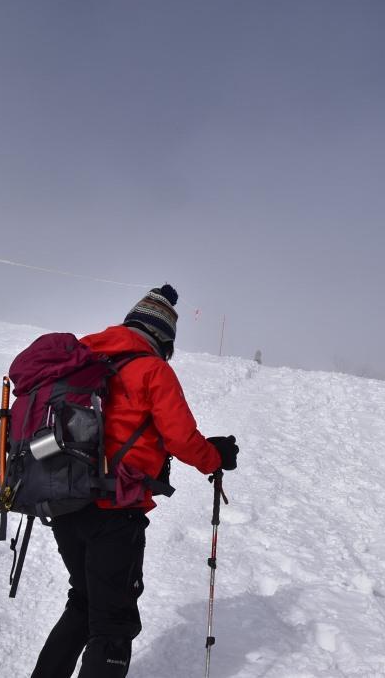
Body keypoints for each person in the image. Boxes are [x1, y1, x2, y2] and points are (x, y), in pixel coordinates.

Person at [31, 284, 240, 678]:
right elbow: (179, 437)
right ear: (164, 338)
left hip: (62, 500)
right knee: (112, 621)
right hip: (114, 510)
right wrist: (215, 457)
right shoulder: (152, 369)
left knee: (84, 601)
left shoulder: (84, 357)